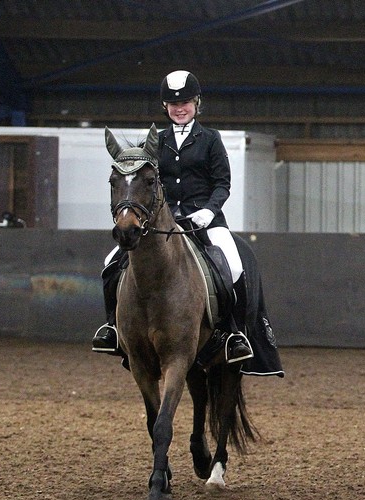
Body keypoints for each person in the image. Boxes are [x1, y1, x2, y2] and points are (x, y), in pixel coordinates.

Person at [92, 70, 253, 365]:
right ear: (165, 107)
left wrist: (209, 210)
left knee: (233, 264)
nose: (180, 109)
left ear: (196, 103)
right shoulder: (156, 142)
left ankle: (234, 334)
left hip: (204, 219)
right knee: (111, 262)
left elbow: (222, 183)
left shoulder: (210, 139)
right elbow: (146, 182)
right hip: (162, 222)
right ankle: (112, 327)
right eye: (173, 104)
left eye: (185, 103)